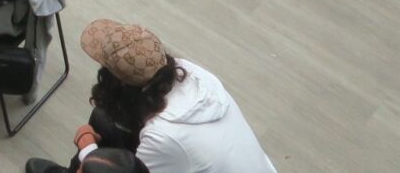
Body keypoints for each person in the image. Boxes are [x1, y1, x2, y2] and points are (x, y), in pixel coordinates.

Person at [77, 19, 276, 172]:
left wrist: (88, 150)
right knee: (102, 119)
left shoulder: (162, 137)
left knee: (100, 122)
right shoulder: (191, 73)